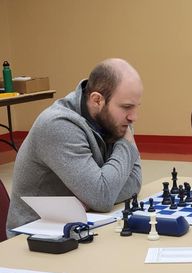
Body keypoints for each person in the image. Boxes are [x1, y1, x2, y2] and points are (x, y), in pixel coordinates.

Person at [7, 58, 143, 235]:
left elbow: (134, 181)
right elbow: (102, 197)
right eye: (126, 107)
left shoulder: (114, 120)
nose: (133, 117)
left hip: (84, 224)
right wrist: (125, 144)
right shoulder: (58, 125)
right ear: (96, 100)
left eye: (136, 107)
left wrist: (98, 194)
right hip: (36, 238)